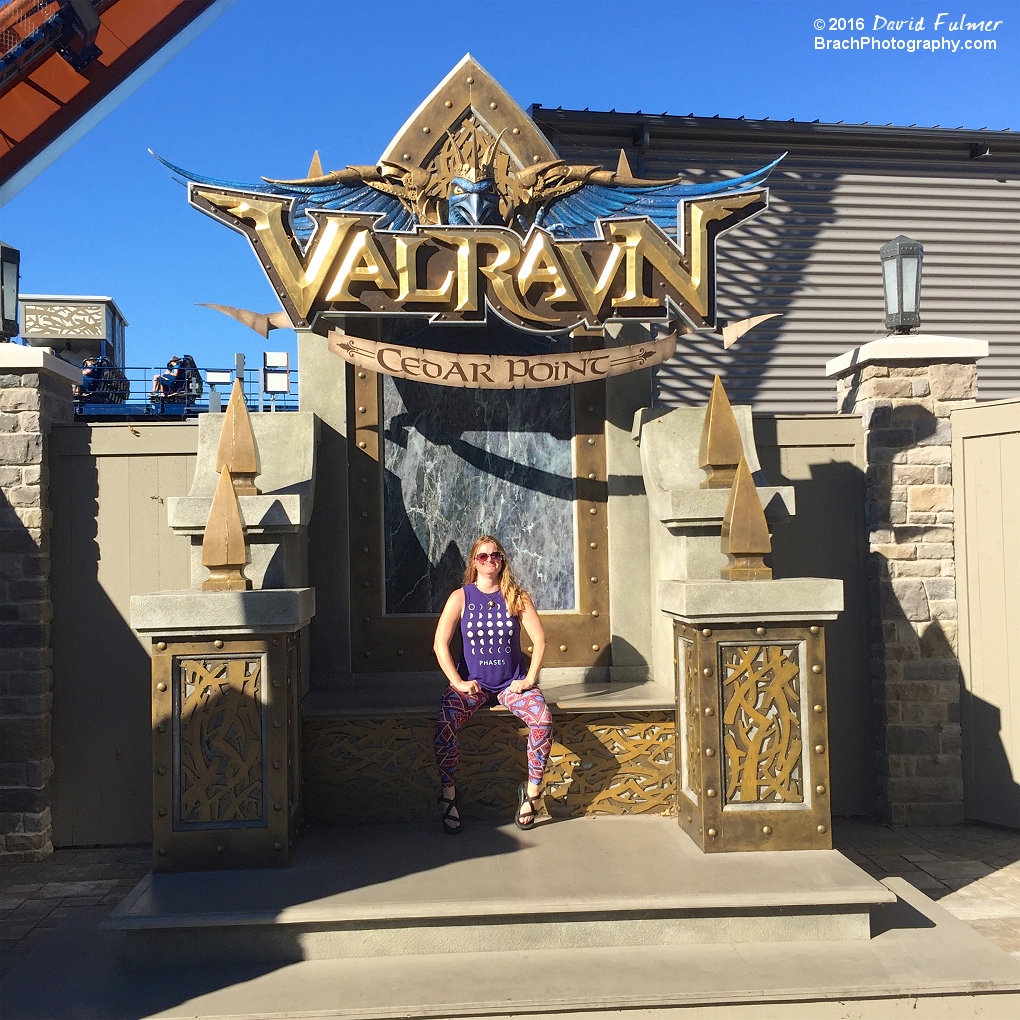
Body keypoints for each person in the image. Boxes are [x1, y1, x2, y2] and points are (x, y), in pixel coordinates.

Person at [433, 535, 550, 834]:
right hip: (475, 687)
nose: (489, 560)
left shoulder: (517, 596)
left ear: (502, 560)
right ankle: (449, 796)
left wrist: (529, 679)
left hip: (510, 685)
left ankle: (533, 793)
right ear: (474, 562)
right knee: (446, 720)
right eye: (482, 556)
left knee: (542, 720)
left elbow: (539, 640)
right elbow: (440, 644)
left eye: (495, 555)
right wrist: (457, 682)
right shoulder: (461, 597)